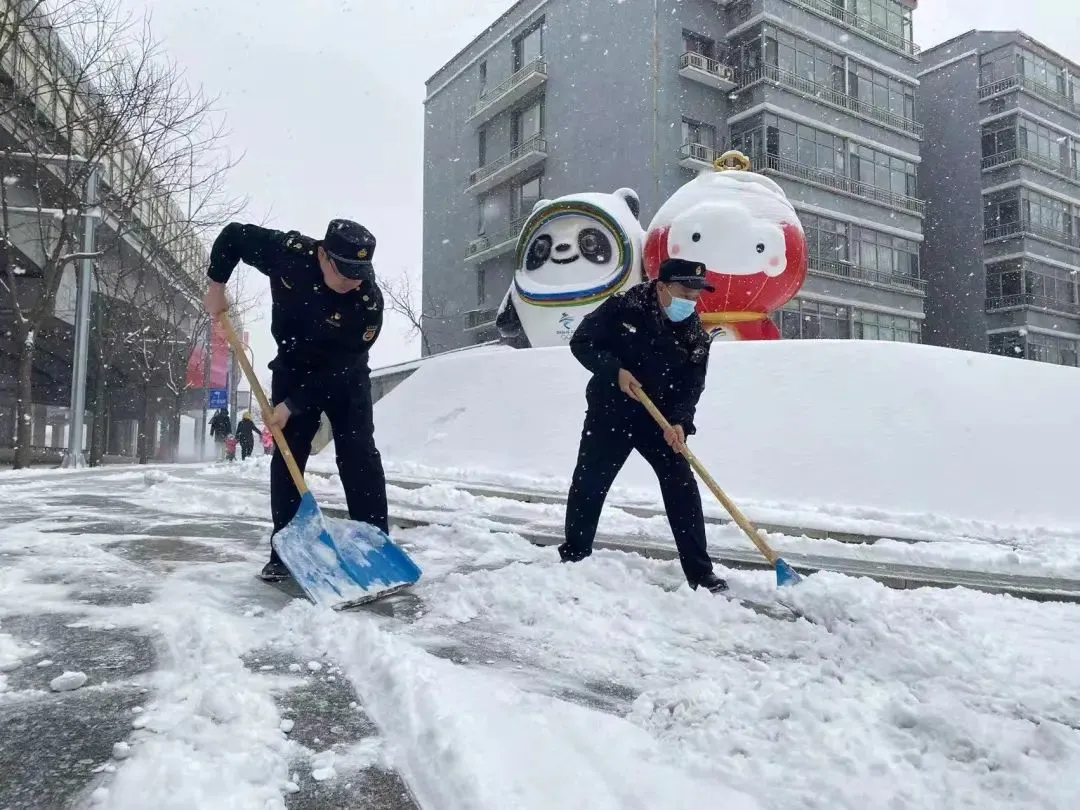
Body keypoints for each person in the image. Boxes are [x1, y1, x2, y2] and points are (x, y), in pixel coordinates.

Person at [203, 218, 388, 582]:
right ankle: (285, 549)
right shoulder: (288, 254)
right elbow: (234, 236)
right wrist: (216, 284)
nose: (354, 282)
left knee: (358, 452)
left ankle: (375, 546)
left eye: (359, 273)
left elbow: (343, 367)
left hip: (345, 373)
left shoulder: (367, 301)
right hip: (293, 364)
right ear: (322, 254)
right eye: (345, 272)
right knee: (289, 453)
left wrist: (291, 405)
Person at [558, 257, 728, 593]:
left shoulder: (694, 333)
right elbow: (582, 343)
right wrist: (614, 371)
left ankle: (700, 572)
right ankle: (574, 556)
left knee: (682, 487)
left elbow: (692, 385)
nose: (691, 301)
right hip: (611, 412)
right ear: (662, 286)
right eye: (685, 291)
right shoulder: (624, 307)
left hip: (658, 419)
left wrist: (681, 423)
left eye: (696, 295)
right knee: (590, 482)